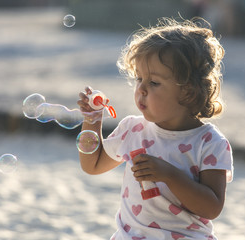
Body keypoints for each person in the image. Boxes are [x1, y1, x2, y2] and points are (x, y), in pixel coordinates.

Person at [77, 17, 233, 240]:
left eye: (154, 83)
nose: (141, 89)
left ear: (187, 91)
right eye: (139, 78)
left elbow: (212, 208)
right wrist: (92, 119)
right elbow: (92, 165)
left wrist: (169, 175)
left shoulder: (210, 142)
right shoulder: (132, 129)